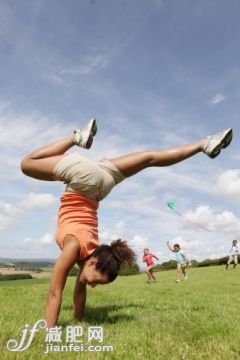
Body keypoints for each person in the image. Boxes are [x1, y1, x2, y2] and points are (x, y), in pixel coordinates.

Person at [20, 118, 232, 326]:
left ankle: (203, 144)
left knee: (150, 158)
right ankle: (76, 138)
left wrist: (79, 322)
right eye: (96, 281)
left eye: (95, 283)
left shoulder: (94, 252)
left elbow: (76, 290)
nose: (92, 285)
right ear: (93, 263)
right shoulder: (75, 248)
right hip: (85, 180)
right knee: (26, 164)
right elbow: (55, 293)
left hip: (102, 184)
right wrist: (49, 334)